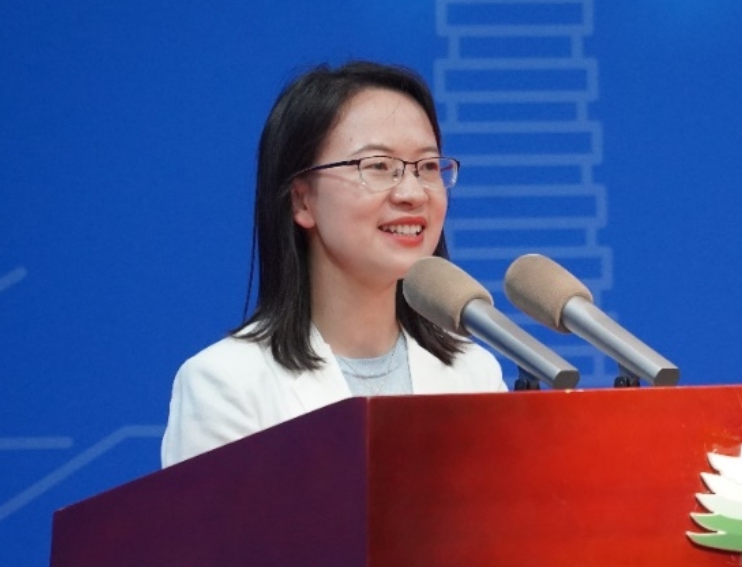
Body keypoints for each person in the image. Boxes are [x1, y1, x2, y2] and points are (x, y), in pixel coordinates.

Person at [161, 61, 506, 467]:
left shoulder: (474, 373)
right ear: (302, 201)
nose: (413, 193)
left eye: (428, 166)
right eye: (378, 166)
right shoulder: (226, 383)